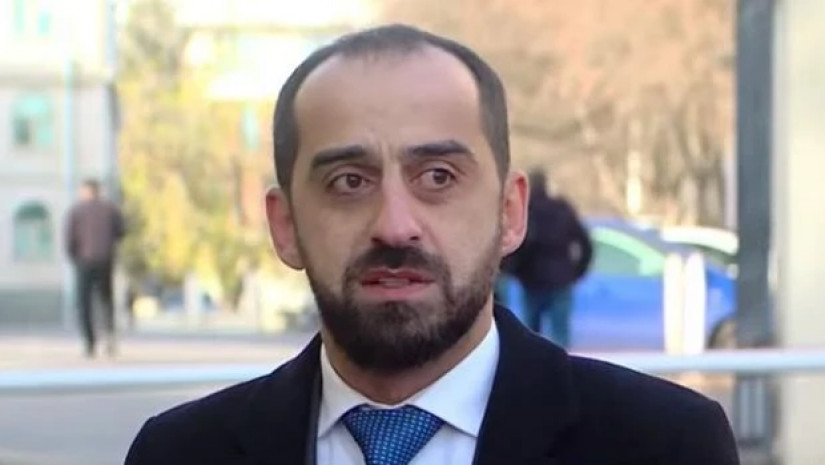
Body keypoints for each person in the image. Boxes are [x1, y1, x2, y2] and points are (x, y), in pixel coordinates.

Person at [124, 25, 739, 465]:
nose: (395, 226)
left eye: (438, 177)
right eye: (349, 182)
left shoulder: (662, 444)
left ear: (510, 212)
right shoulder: (179, 452)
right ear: (285, 226)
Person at [504, 169, 593, 348]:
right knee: (560, 335)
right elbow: (584, 243)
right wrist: (577, 272)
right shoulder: (561, 209)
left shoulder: (527, 211)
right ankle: (559, 365)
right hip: (560, 279)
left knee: (529, 337)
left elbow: (516, 244)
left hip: (531, 280)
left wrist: (513, 270)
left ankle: (531, 365)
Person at [66, 178, 125, 358]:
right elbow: (121, 232)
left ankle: (89, 342)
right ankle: (109, 337)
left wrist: (74, 257)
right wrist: (109, 246)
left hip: (84, 261)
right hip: (105, 260)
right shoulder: (110, 210)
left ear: (85, 191)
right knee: (106, 300)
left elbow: (69, 238)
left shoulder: (76, 211)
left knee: (84, 303)